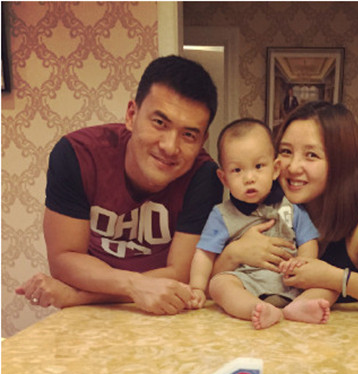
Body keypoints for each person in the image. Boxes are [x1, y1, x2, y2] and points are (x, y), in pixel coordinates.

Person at [16, 55, 223, 315]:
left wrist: (76, 296)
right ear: (131, 115)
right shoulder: (77, 154)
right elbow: (64, 259)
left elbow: (181, 272)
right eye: (160, 123)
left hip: (169, 311)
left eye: (189, 134)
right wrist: (134, 286)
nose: (170, 147)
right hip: (92, 317)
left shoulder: (205, 176)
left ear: (203, 140)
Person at [214, 101, 358, 314]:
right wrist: (233, 254)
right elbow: (212, 289)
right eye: (286, 151)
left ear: (340, 163)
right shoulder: (262, 207)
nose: (293, 167)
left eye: (311, 155)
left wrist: (334, 278)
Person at [188, 118, 333, 329]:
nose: (249, 178)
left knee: (330, 285)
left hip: (290, 280)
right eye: (237, 170)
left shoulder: (291, 207)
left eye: (258, 166)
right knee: (220, 284)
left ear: (275, 169)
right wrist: (197, 288)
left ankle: (300, 307)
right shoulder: (222, 215)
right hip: (246, 281)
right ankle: (256, 308)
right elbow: (204, 254)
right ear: (224, 179)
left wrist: (302, 264)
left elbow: (308, 241)